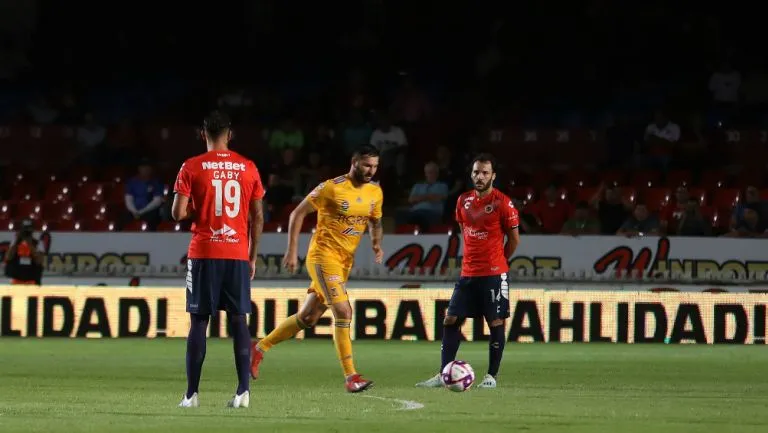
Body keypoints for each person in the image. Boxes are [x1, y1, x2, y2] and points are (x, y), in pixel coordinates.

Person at [249, 144, 384, 393]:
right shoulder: (331, 188)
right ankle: (351, 376)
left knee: (308, 318)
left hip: (344, 262)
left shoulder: (375, 192)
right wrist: (292, 251)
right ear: (353, 162)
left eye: (375, 166)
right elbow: (297, 214)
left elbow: (376, 220)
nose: (371, 170)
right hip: (323, 257)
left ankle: (258, 349)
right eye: (367, 165)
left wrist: (376, 243)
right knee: (343, 312)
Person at [172, 111, 265, 408]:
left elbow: (177, 213)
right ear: (230, 134)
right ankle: (243, 392)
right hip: (237, 253)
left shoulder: (191, 166)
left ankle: (191, 395)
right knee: (239, 321)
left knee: (199, 321)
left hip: (204, 252)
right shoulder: (248, 167)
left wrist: (199, 210)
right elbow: (258, 216)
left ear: (203, 134)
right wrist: (251, 257)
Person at [416, 153, 520, 389]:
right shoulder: (463, 201)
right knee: (451, 319)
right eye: (476, 172)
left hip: (493, 273)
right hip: (468, 273)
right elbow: (465, 231)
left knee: (495, 321)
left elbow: (514, 239)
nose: (479, 176)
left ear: (493, 175)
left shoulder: (503, 203)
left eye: (485, 172)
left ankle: (491, 376)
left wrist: (498, 261)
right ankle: (444, 374)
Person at [3, 219, 45, 285]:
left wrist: (30, 244)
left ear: (32, 230)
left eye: (28, 229)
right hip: (17, 280)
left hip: (33, 280)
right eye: (24, 229)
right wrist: (16, 241)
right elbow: (8, 257)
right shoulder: (15, 242)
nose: (26, 232)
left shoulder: (38, 243)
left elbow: (39, 261)